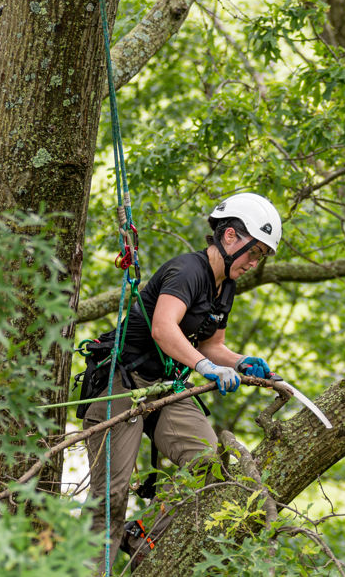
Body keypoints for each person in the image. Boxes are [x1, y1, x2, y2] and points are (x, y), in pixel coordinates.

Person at [79, 192, 282, 569]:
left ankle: (139, 532)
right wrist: (206, 367)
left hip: (166, 386)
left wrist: (240, 363)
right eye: (254, 252)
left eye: (262, 257)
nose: (255, 262)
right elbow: (163, 329)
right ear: (231, 237)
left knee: (209, 469)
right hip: (122, 381)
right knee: (110, 497)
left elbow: (213, 344)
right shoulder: (188, 271)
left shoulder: (226, 286)